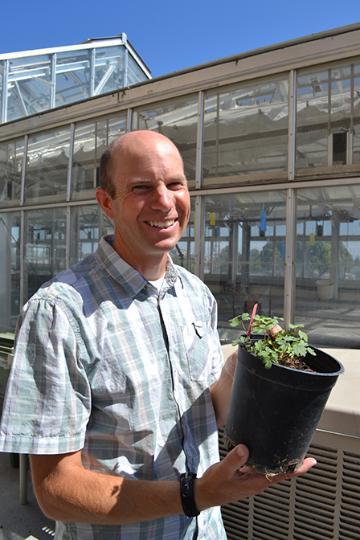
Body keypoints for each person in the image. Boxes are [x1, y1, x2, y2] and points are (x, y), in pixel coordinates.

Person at [0, 131, 316, 539]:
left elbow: (207, 413)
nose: (165, 201)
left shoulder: (195, 294)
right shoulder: (61, 312)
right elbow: (55, 489)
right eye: (142, 188)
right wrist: (193, 494)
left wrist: (240, 372)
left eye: (175, 184)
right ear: (106, 203)